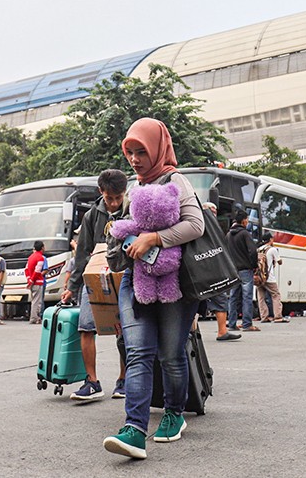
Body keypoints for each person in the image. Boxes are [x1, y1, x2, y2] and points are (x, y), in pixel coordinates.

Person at [102, 117, 204, 460]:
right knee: (138, 353)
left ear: (158, 147)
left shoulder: (177, 180)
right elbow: (133, 228)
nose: (134, 159)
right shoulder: (134, 186)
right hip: (136, 279)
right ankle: (133, 428)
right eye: (129, 152)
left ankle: (174, 413)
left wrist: (155, 238)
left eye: (140, 151)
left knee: (171, 355)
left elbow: (196, 225)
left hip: (175, 281)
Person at [61, 169, 129, 401]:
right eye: (110, 197)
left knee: (125, 331)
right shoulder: (92, 216)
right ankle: (91, 382)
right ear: (101, 192)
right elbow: (81, 253)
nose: (114, 202)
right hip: (94, 277)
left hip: (124, 275)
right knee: (86, 327)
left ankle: (124, 380)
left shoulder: (131, 210)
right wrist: (72, 285)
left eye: (118, 197)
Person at [201, 202, 240, 342]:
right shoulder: (210, 226)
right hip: (211, 268)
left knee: (195, 301)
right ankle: (222, 331)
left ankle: (191, 332)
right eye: (213, 210)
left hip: (199, 268)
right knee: (220, 297)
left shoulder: (194, 222)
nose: (215, 213)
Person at [226, 209, 261, 332]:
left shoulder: (229, 235)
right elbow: (252, 251)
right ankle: (247, 324)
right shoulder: (245, 234)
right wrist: (254, 265)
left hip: (233, 270)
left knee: (233, 297)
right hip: (246, 269)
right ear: (244, 220)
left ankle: (231, 324)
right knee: (247, 297)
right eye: (247, 219)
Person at [255, 231, 286, 323]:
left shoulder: (258, 249)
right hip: (269, 278)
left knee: (261, 297)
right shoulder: (272, 249)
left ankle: (264, 317)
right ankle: (278, 317)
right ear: (270, 240)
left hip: (259, 277)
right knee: (276, 295)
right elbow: (279, 261)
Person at [25, 241, 45, 324]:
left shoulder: (30, 257)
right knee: (37, 301)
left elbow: (26, 269)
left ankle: (36, 317)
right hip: (37, 282)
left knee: (34, 300)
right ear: (42, 248)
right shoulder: (40, 258)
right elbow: (38, 271)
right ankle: (34, 318)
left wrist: (29, 280)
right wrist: (32, 281)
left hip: (32, 281)